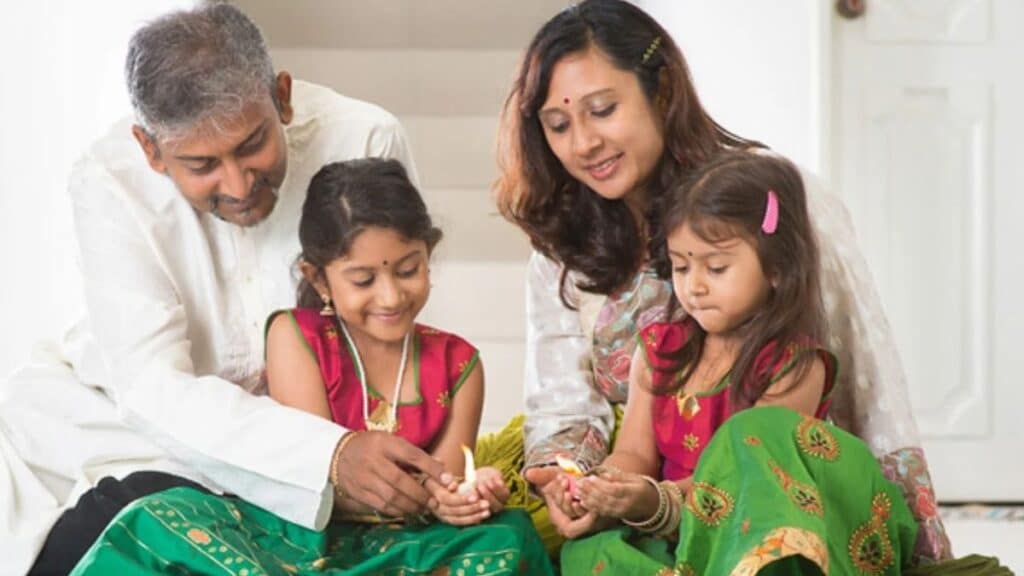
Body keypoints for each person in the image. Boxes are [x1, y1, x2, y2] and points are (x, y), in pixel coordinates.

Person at [488, 0, 1001, 572]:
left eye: (602, 110)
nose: (582, 143)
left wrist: (920, 549)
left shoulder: (774, 200)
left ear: (661, 92)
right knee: (577, 550)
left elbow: (867, 381)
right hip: (658, 497)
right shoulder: (564, 243)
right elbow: (565, 403)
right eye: (558, 125)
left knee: (754, 450)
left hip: (785, 487)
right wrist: (574, 482)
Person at [0, 5, 447, 575]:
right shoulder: (108, 181)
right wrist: (324, 459)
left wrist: (356, 450)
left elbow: (391, 323)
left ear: (281, 97)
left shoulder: (362, 137)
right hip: (120, 425)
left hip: (325, 424)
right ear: (150, 150)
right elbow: (152, 387)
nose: (238, 185)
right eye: (202, 164)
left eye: (252, 144)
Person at [69, 159, 554, 575]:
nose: (391, 296)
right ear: (318, 279)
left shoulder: (459, 364)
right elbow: (316, 471)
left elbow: (443, 486)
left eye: (409, 269)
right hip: (303, 538)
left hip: (412, 545)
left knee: (509, 534)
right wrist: (422, 490)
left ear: (429, 254)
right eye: (363, 279)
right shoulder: (295, 336)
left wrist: (469, 495)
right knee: (154, 518)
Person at [556, 151, 920, 574]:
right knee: (586, 554)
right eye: (680, 266)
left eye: (716, 267)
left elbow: (754, 480)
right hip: (674, 525)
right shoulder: (658, 353)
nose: (694, 286)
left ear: (777, 269)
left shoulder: (794, 365)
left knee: (748, 437)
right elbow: (635, 452)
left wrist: (657, 503)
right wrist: (605, 487)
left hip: (750, 525)